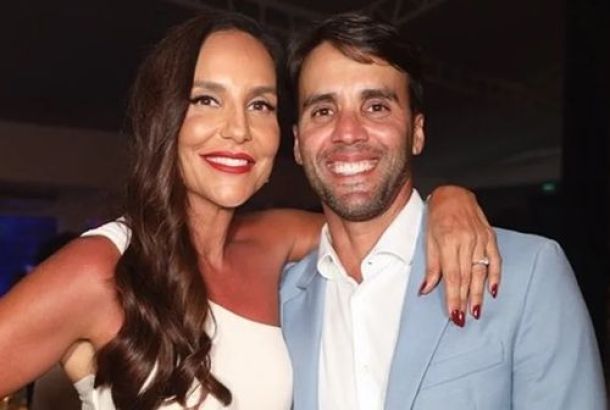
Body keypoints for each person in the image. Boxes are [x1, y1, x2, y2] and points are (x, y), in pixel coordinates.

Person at [0, 11, 500, 410]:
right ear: (163, 117)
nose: (238, 129)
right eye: (206, 100)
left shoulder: (273, 241)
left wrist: (447, 200)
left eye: (260, 105)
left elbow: (378, 224)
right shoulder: (101, 268)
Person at [280, 12, 606, 410]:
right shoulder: (279, 301)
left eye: (376, 107)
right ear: (297, 143)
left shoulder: (527, 275)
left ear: (417, 133)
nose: (348, 132)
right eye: (323, 111)